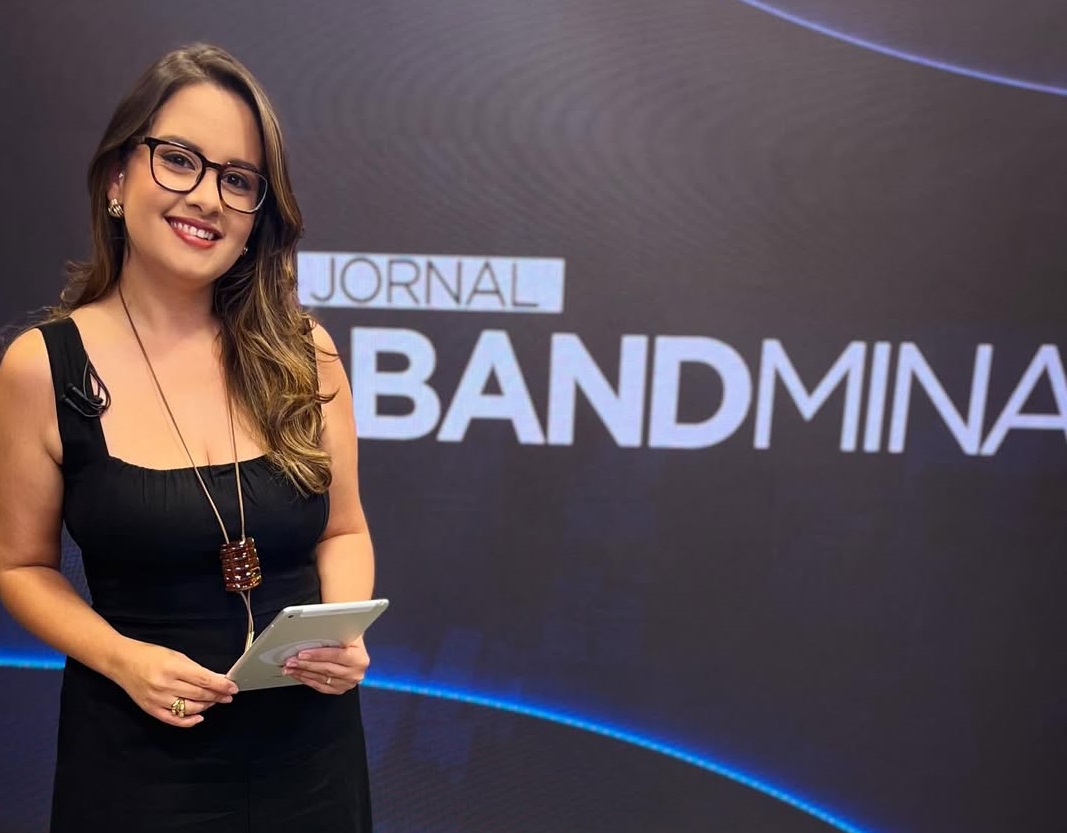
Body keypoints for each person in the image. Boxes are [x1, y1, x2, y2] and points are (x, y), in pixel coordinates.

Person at [0, 44, 375, 832]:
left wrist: (339, 630)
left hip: (310, 761)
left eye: (237, 179)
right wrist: (121, 658)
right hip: (138, 764)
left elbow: (342, 528)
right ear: (117, 178)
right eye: (178, 160)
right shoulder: (41, 367)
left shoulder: (304, 352)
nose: (206, 197)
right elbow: (21, 566)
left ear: (258, 213)